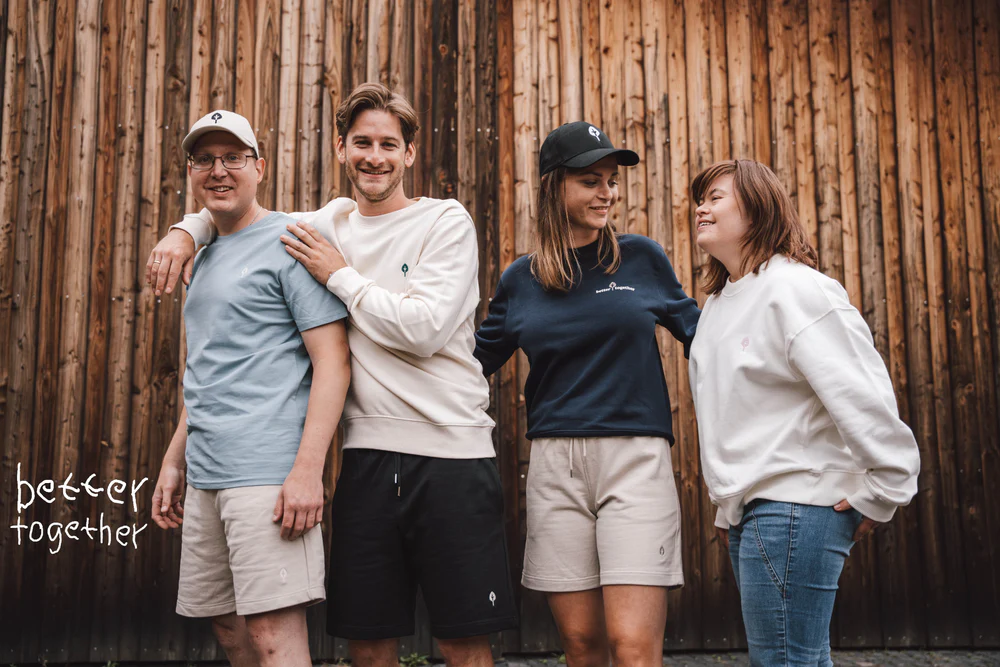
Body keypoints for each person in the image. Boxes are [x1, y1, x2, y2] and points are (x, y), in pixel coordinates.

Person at [146, 83, 517, 667]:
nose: (375, 156)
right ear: (341, 149)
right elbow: (240, 211)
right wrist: (186, 229)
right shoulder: (326, 223)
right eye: (362, 143)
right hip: (368, 454)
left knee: (462, 640)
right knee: (367, 642)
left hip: (453, 454)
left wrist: (340, 275)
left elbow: (422, 330)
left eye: (389, 145)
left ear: (410, 154)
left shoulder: (444, 221)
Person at [474, 121, 700, 667]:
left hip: (634, 462)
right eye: (591, 181)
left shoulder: (641, 259)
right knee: (580, 645)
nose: (608, 193)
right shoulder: (521, 279)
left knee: (632, 645)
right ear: (555, 187)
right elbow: (467, 368)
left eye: (611, 181)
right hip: (555, 468)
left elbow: (710, 342)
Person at [687, 159, 921, 666]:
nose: (701, 208)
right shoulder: (718, 306)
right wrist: (728, 505)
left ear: (758, 207)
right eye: (699, 199)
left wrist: (882, 490)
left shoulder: (798, 291)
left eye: (716, 197)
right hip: (751, 513)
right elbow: (731, 414)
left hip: (795, 508)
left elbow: (862, 393)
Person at [149, 110, 351, 667]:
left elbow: (333, 364)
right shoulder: (205, 250)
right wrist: (175, 460)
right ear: (191, 171)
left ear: (258, 167)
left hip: (268, 475)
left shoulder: (291, 242)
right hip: (209, 473)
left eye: (233, 157)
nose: (218, 170)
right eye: (204, 159)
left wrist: (308, 470)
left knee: (272, 637)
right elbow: (214, 370)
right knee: (228, 627)